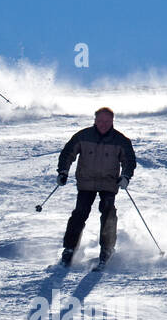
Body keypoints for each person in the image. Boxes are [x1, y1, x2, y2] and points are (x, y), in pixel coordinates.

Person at [56, 107, 137, 267]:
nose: (103, 124)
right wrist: (63, 171)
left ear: (112, 121)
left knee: (108, 212)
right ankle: (69, 249)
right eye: (100, 121)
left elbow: (129, 160)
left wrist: (125, 176)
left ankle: (107, 248)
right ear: (95, 120)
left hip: (108, 183)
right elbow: (68, 153)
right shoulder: (83, 136)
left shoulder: (120, 140)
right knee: (80, 213)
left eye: (107, 121)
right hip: (86, 182)